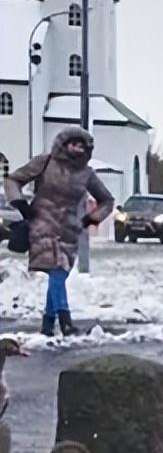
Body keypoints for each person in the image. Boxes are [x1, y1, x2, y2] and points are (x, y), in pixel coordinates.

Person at [4, 127, 114, 336]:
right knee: (56, 270)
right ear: (63, 144)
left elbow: (107, 200)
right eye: (74, 144)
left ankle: (47, 325)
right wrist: (19, 202)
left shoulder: (87, 173)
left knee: (60, 274)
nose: (77, 149)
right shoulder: (45, 162)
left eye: (82, 146)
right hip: (42, 223)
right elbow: (13, 179)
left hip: (70, 228)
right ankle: (65, 322)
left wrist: (92, 218)